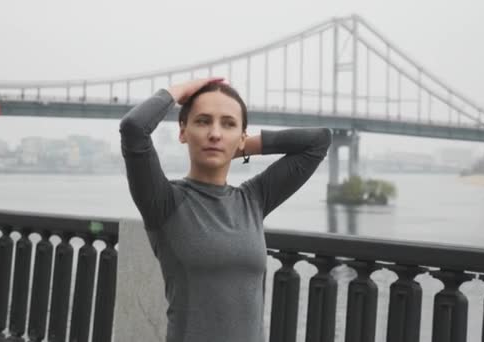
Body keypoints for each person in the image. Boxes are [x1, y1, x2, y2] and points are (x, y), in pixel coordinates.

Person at [119, 77, 331, 342]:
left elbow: (320, 141)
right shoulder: (164, 203)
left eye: (228, 124)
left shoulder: (253, 199)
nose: (215, 133)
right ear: (183, 131)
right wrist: (181, 90)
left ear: (242, 135)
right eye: (203, 121)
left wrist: (241, 146)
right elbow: (134, 128)